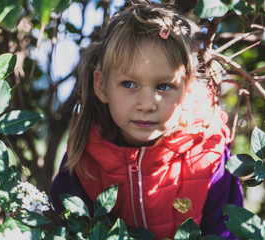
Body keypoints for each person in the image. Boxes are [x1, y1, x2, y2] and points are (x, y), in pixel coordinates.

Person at [50, 1, 244, 239]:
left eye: (164, 86)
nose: (146, 104)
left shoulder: (207, 155)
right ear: (101, 85)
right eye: (129, 84)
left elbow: (228, 232)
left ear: (188, 89)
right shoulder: (85, 155)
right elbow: (68, 226)